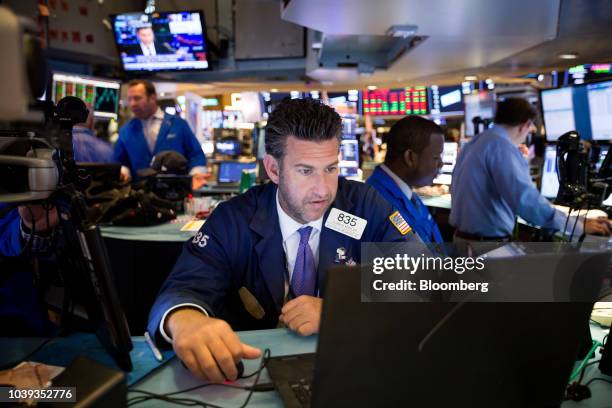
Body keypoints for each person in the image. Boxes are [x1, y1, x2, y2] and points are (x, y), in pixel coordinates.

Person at [147, 98, 425, 383]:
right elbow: (182, 289)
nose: (323, 189)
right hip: (252, 374)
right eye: (305, 171)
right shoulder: (234, 219)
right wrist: (186, 322)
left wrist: (340, 311)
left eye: (330, 168)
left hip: (350, 366)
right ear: (274, 170)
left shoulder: (363, 206)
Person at [450, 97, 611, 241]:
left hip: (464, 240)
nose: (531, 130)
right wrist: (578, 226)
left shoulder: (476, 142)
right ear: (525, 125)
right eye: (531, 127)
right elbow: (526, 202)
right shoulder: (503, 147)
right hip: (484, 246)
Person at [367, 116, 445, 246]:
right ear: (410, 157)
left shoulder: (407, 193)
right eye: (436, 157)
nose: (441, 164)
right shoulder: (377, 203)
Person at [113, 80, 207, 186]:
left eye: (137, 98)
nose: (132, 104)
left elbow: (196, 155)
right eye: (129, 99)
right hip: (140, 193)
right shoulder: (126, 130)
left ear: (152, 98)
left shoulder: (178, 124)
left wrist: (196, 174)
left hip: (174, 191)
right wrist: (123, 172)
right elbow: (120, 161)